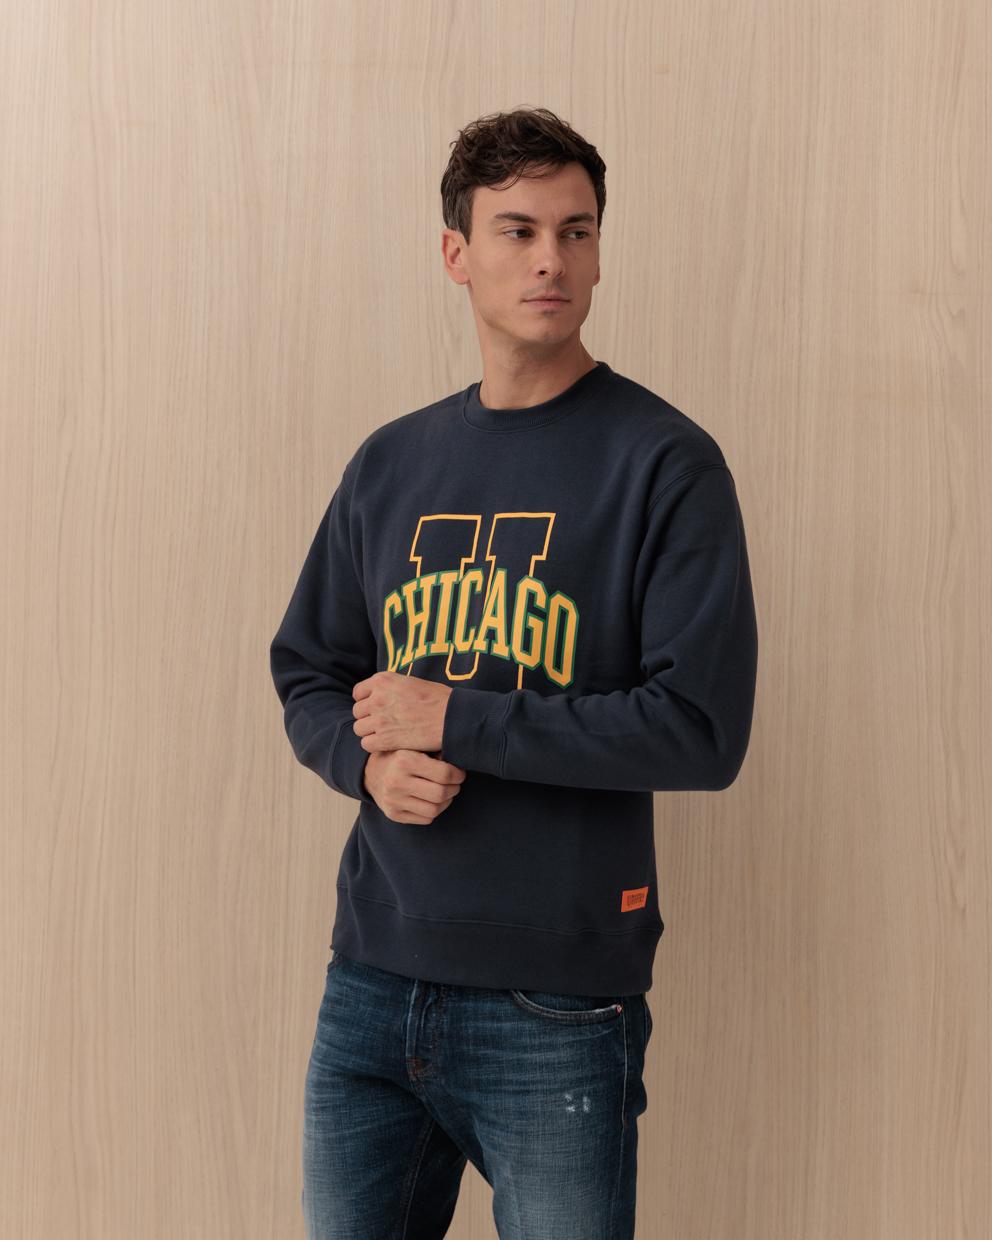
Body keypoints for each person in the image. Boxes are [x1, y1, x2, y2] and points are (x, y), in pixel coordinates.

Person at [270, 105, 758, 1240]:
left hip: (558, 1001)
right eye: (519, 230)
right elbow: (308, 667)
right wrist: (362, 763)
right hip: (371, 980)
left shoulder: (664, 463)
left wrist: (458, 720)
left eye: (576, 232)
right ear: (457, 253)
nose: (552, 261)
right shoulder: (391, 461)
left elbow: (699, 730)